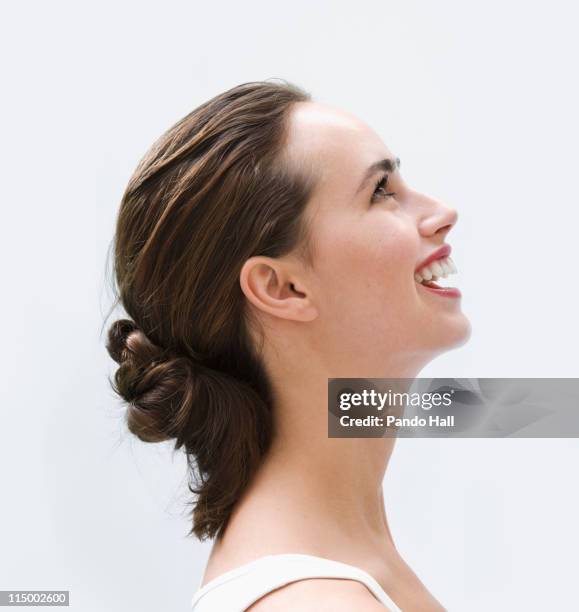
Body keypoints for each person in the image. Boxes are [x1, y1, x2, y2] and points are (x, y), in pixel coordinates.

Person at [105, 79, 471, 611]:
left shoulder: (340, 564)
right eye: (381, 191)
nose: (443, 211)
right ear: (282, 287)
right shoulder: (313, 602)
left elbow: (526, 408)